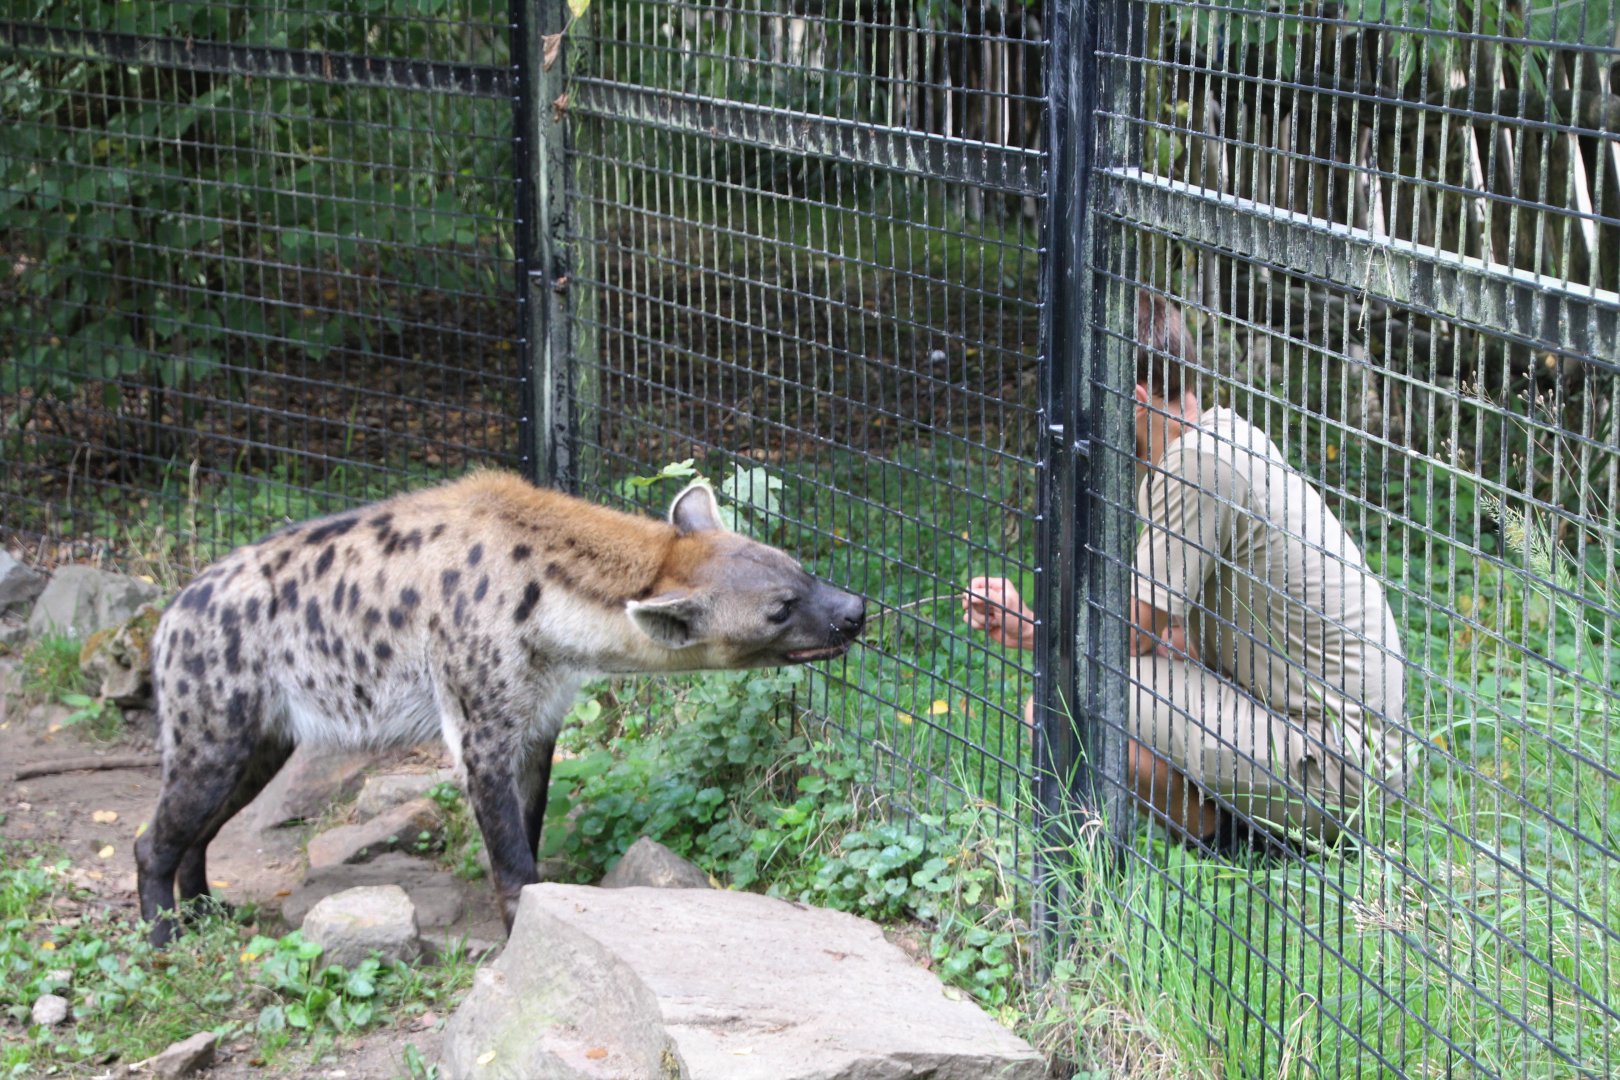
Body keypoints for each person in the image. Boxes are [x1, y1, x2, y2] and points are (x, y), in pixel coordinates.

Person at [964, 293, 1407, 850]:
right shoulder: (1221, 436)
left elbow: (1124, 636)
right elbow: (1166, 633)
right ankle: (1243, 831)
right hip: (1355, 751)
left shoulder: (1194, 468)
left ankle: (1244, 847)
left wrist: (1028, 627)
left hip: (1337, 769)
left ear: (1135, 400)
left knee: (1055, 703)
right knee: (1153, 661)